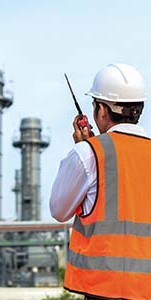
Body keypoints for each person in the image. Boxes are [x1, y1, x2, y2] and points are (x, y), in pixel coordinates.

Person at [50, 63, 151, 300]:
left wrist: (85, 148)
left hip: (103, 289)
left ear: (102, 111)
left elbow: (59, 210)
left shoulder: (88, 154)